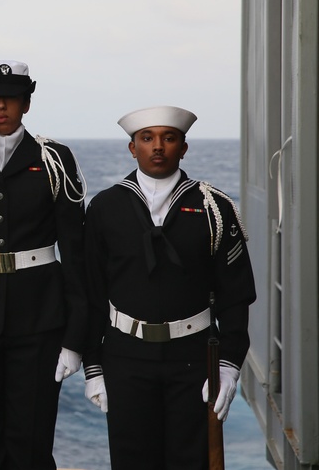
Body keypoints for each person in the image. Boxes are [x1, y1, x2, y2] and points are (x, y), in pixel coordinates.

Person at [81, 106, 256, 469]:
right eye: (147, 139)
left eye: (168, 138)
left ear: (184, 148)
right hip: (125, 357)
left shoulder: (214, 208)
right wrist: (93, 365)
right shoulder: (105, 207)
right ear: (133, 149)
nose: (157, 147)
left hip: (193, 358)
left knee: (190, 462)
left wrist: (228, 364)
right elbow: (91, 293)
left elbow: (236, 295)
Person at [0, 60, 88, 470]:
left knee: (32, 442)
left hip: (39, 320)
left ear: (26, 103)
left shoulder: (54, 159)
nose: (1, 106)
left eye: (10, 98)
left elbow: (75, 254)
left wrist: (76, 337)